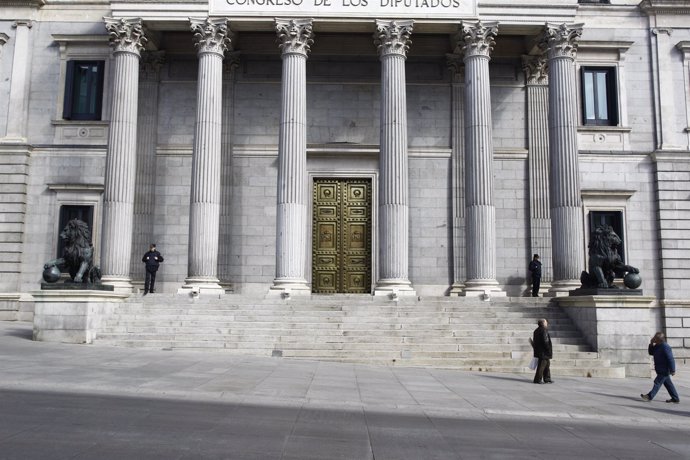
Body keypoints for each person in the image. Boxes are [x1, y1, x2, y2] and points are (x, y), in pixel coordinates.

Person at [641, 332, 679, 403]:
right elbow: (651, 352)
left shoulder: (665, 347)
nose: (654, 338)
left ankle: (649, 396)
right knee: (668, 384)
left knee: (657, 382)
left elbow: (670, 359)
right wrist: (651, 344)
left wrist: (673, 370)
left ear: (659, 339)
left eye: (655, 338)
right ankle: (675, 398)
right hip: (659, 368)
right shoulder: (657, 345)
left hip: (664, 369)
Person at [532, 318, 553, 384]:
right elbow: (545, 341)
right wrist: (548, 349)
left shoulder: (536, 330)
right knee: (541, 366)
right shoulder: (544, 330)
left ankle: (547, 378)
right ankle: (537, 379)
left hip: (539, 351)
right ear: (543, 323)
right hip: (544, 352)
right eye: (546, 322)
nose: (547, 323)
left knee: (547, 365)